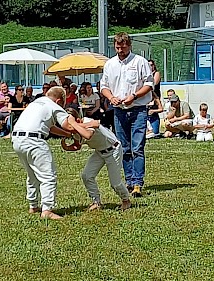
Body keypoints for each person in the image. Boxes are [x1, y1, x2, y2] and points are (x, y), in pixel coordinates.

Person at [100, 32, 153, 197]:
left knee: (137, 147)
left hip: (137, 109)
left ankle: (137, 182)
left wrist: (134, 96)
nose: (120, 50)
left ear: (129, 46)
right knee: (124, 148)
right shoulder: (110, 64)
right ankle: (129, 181)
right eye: (117, 47)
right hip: (119, 111)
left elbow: (149, 84)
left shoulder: (139, 61)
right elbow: (104, 86)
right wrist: (111, 98)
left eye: (123, 47)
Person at [11, 86, 74, 220]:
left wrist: (67, 135)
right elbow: (68, 124)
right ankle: (47, 210)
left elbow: (50, 127)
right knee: (48, 176)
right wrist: (80, 129)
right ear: (58, 101)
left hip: (17, 139)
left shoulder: (35, 103)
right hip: (34, 140)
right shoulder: (54, 105)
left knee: (32, 174)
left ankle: (33, 205)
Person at [62, 108, 131, 211]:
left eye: (69, 123)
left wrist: (74, 125)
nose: (68, 127)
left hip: (113, 149)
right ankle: (96, 202)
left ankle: (126, 200)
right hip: (99, 152)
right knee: (87, 176)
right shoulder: (75, 130)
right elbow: (77, 146)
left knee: (115, 183)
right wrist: (68, 147)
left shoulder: (86, 121)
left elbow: (89, 134)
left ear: (76, 120)